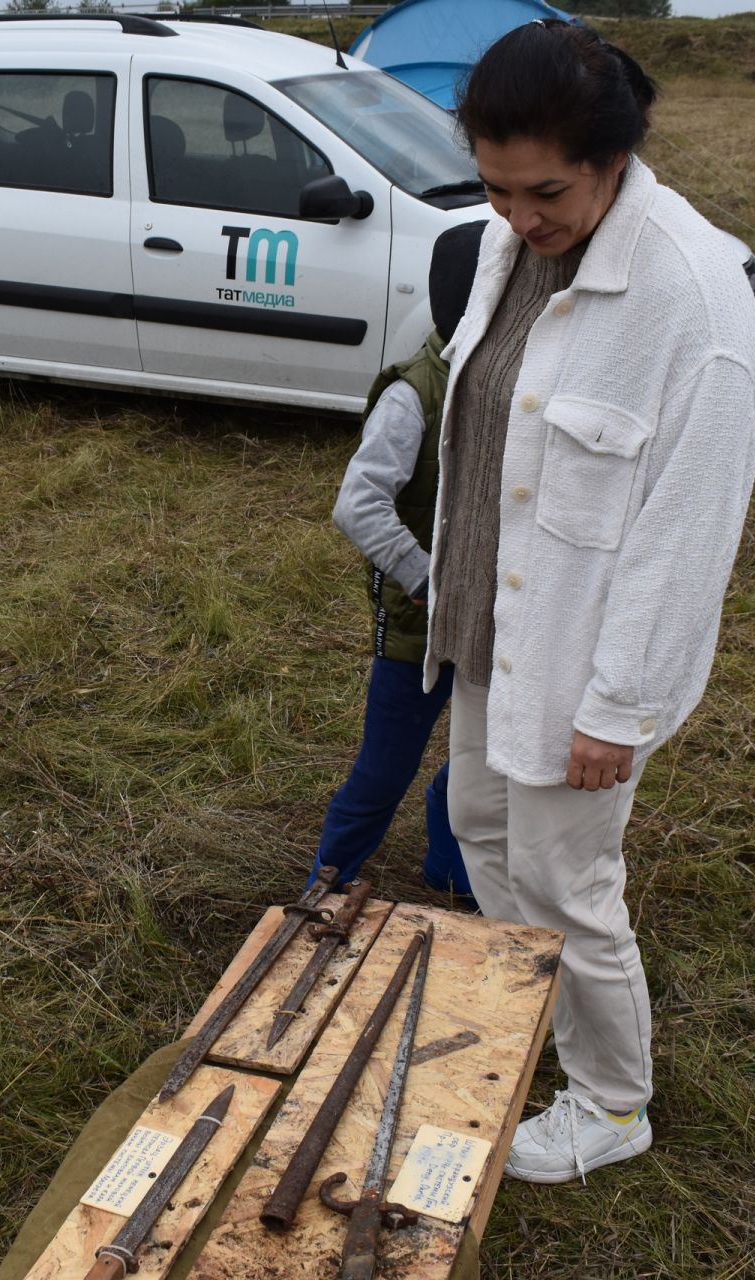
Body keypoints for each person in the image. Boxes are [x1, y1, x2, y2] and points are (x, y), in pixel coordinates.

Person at [421, 22, 755, 1183]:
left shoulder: (694, 299)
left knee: (571, 880)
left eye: (546, 191)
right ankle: (537, 1021)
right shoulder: (503, 241)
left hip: (579, 658)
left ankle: (614, 1103)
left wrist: (618, 706)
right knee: (479, 829)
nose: (518, 215)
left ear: (615, 158)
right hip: (489, 618)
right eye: (494, 186)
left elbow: (688, 533)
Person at [306, 222, 486, 898]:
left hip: (494, 620)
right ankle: (324, 889)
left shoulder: (503, 379)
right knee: (383, 774)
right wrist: (424, 579)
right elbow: (358, 504)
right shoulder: (416, 393)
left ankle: (451, 873)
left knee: (479, 765)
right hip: (422, 628)